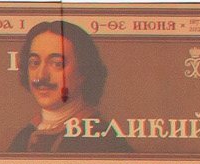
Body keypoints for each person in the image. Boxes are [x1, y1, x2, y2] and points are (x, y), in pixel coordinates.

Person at [7, 19, 128, 153]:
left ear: (83, 71)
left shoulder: (103, 140)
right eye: (34, 63)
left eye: (57, 64)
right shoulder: (24, 137)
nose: (41, 76)